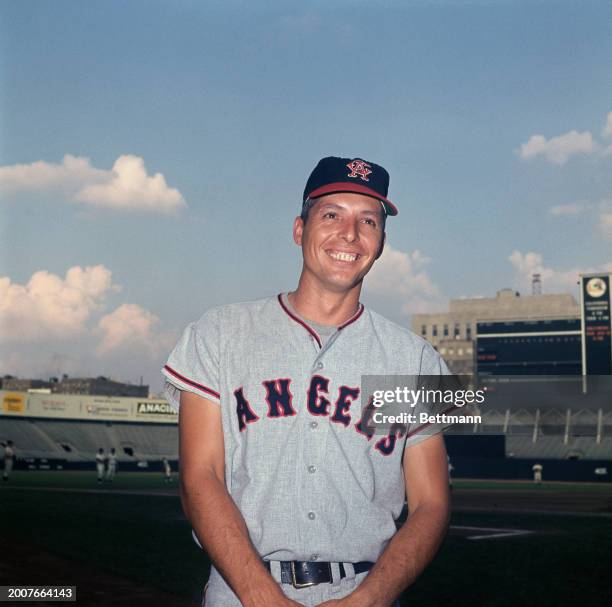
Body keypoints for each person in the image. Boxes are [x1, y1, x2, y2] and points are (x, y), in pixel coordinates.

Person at [162, 156, 451, 607]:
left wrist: (371, 599)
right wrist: (262, 596)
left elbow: (432, 505)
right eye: (331, 214)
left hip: (367, 590)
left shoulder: (416, 357)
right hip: (241, 592)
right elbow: (200, 476)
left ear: (382, 243)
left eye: (368, 221)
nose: (349, 235)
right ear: (299, 229)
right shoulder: (218, 332)